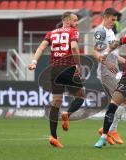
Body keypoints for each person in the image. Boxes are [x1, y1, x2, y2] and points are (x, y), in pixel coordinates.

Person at [28, 12, 85, 148]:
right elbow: (74, 47)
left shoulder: (51, 33)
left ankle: (53, 136)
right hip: (68, 68)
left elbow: (41, 47)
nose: (76, 23)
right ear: (67, 20)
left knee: (56, 101)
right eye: (75, 20)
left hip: (54, 69)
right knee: (81, 96)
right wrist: (78, 64)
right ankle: (67, 114)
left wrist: (34, 62)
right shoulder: (73, 32)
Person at [93, 8, 126, 145]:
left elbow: (113, 54)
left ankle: (106, 130)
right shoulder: (101, 31)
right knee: (123, 100)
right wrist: (107, 64)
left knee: (123, 101)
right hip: (105, 72)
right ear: (105, 17)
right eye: (112, 20)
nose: (114, 22)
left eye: (115, 20)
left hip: (113, 71)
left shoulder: (110, 32)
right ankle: (110, 130)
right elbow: (95, 52)